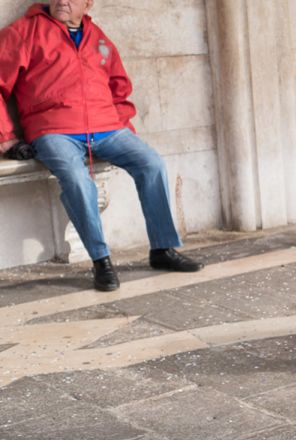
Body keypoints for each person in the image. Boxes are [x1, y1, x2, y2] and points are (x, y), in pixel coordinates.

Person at [0, 1, 203, 291]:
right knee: (77, 180)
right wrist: (6, 136)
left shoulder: (98, 36)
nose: (62, 1)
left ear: (88, 3)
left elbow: (119, 86)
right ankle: (101, 260)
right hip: (54, 130)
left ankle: (163, 249)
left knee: (151, 163)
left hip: (106, 128)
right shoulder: (25, 31)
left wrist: (122, 126)